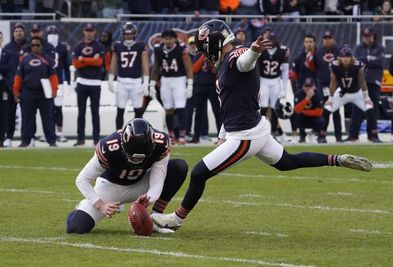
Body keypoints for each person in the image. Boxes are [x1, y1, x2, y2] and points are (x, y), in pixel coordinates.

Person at [151, 20, 373, 231]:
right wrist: (222, 134)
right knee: (288, 162)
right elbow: (229, 103)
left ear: (215, 42)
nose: (204, 53)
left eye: (205, 47)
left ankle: (176, 219)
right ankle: (338, 159)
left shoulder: (236, 55)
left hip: (246, 134)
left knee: (199, 173)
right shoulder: (225, 62)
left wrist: (254, 51)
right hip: (253, 127)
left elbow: (244, 61)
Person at [66, 118, 188, 234]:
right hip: (111, 186)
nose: (137, 161)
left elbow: (157, 183)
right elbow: (82, 179)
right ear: (123, 144)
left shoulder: (161, 144)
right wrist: (100, 205)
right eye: (132, 156)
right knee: (75, 226)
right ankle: (82, 207)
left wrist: (147, 199)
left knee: (179, 167)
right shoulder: (109, 146)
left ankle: (156, 218)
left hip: (141, 183)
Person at [324, 46, 381, 142]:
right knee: (327, 109)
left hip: (356, 93)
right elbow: (333, 83)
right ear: (340, 58)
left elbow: (362, 82)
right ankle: (322, 135)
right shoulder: (334, 66)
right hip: (342, 93)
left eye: (347, 57)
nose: (345, 59)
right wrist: (330, 99)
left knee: (370, 109)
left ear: (351, 58)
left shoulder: (358, 65)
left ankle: (374, 136)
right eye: (343, 57)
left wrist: (366, 98)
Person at [13, 36, 59, 147]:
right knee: (27, 118)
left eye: (37, 45)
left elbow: (53, 76)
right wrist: (16, 91)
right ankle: (25, 141)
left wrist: (54, 90)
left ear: (41, 46)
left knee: (48, 118)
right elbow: (18, 77)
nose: (35, 47)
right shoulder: (24, 60)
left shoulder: (47, 59)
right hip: (28, 93)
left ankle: (52, 141)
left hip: (44, 93)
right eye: (33, 45)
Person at [150, 29, 193, 144]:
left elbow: (189, 68)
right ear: (162, 39)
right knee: (168, 108)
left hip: (179, 79)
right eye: (166, 39)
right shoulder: (158, 49)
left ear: (175, 39)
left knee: (180, 107)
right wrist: (152, 84)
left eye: (170, 38)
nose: (168, 41)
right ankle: (170, 135)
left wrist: (190, 84)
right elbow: (155, 68)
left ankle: (182, 135)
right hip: (165, 80)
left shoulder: (181, 49)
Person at [108, 22, 149, 130]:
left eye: (130, 34)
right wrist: (110, 79)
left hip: (136, 81)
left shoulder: (140, 46)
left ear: (134, 34)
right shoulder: (117, 46)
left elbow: (145, 64)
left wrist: (146, 81)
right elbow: (113, 63)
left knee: (138, 110)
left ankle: (137, 133)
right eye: (126, 34)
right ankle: (118, 133)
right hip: (122, 81)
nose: (128, 36)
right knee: (120, 109)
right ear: (123, 34)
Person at [72, 23, 105, 146]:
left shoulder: (99, 46)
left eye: (91, 30)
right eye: (87, 30)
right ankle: (81, 139)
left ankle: (96, 139)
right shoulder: (78, 46)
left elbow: (99, 62)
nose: (89, 32)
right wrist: (91, 60)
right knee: (81, 112)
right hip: (82, 81)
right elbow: (76, 64)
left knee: (95, 112)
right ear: (84, 31)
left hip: (95, 83)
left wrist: (83, 59)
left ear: (94, 32)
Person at [350, 28, 384, 143]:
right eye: (365, 36)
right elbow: (355, 61)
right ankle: (353, 135)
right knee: (357, 109)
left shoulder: (380, 48)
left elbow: (381, 62)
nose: (367, 38)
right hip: (360, 82)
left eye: (369, 36)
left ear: (373, 36)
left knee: (373, 109)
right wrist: (369, 59)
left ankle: (373, 135)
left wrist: (364, 61)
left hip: (374, 82)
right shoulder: (359, 48)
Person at [257, 30, 289, 140]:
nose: (271, 42)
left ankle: (273, 132)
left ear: (276, 41)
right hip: (263, 80)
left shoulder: (282, 51)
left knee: (275, 107)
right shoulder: (262, 51)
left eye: (273, 40)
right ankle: (262, 131)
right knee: (264, 106)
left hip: (276, 80)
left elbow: (285, 71)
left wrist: (284, 89)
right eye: (269, 40)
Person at [312, 30, 342, 142]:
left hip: (337, 85)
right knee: (325, 110)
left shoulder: (338, 51)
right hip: (323, 84)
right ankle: (322, 135)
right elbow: (314, 68)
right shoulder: (318, 51)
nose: (327, 40)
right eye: (325, 38)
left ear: (332, 39)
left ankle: (338, 136)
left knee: (336, 110)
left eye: (329, 38)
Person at [3, 23, 27, 147]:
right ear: (13, 33)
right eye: (16, 30)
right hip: (11, 85)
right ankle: (9, 137)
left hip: (26, 86)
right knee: (9, 114)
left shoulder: (29, 46)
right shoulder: (7, 48)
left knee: (27, 115)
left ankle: (26, 138)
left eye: (20, 30)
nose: (18, 33)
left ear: (24, 32)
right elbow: (7, 70)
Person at [46, 25, 70, 143]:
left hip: (59, 81)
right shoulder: (44, 47)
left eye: (55, 32)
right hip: (47, 81)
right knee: (47, 108)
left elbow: (66, 65)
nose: (53, 34)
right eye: (51, 32)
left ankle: (59, 132)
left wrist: (69, 81)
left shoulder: (62, 47)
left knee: (58, 108)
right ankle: (49, 132)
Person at [294, 78, 325, 143]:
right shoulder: (298, 94)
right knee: (295, 115)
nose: (308, 88)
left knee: (321, 120)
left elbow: (319, 112)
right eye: (306, 86)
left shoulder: (318, 94)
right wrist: (307, 98)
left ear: (314, 87)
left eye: (310, 86)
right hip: (302, 118)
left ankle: (314, 133)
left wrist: (304, 112)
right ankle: (302, 136)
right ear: (303, 87)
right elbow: (297, 110)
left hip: (313, 118)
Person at [0, 31, 14, 148]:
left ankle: (2, 138)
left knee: (3, 114)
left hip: (3, 87)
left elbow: (10, 68)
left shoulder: (7, 53)